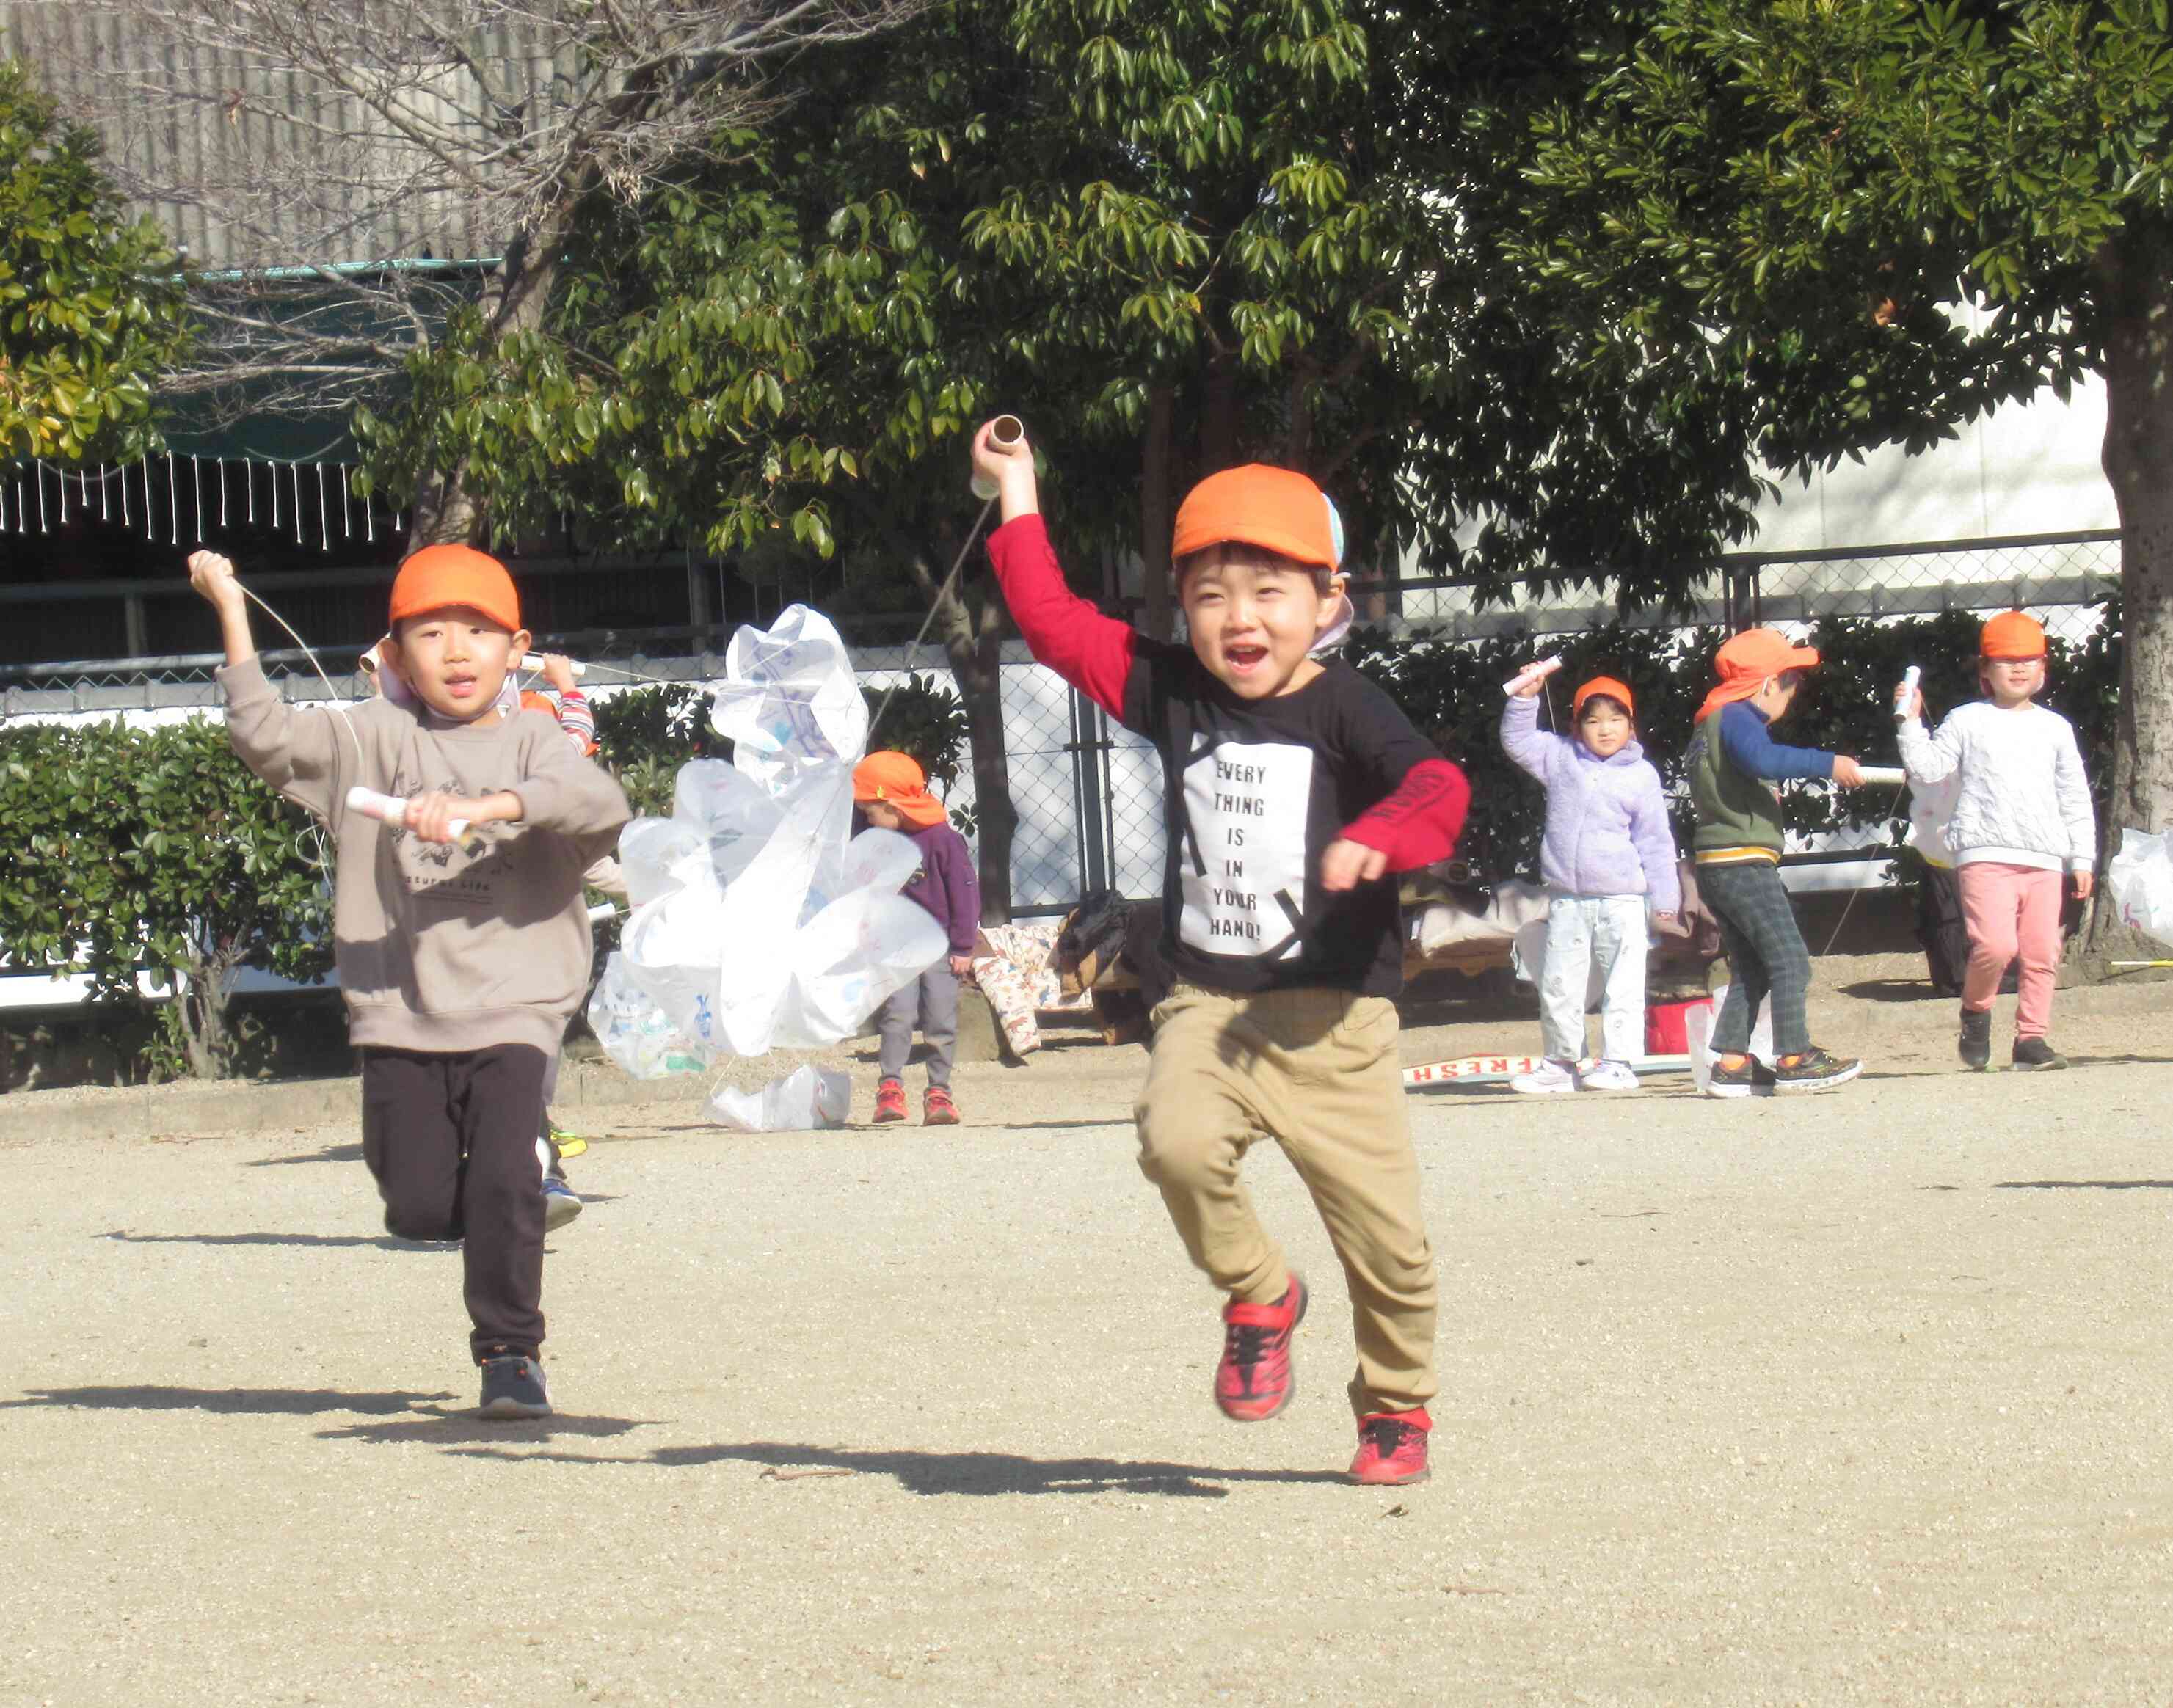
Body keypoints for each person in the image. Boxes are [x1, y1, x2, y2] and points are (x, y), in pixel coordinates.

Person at [971, 420, 1471, 1488]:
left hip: (1337, 1022)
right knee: (1173, 1140)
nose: (1238, 618)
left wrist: (1382, 835)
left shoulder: (1348, 708)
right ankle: (1259, 1291)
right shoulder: (1174, 692)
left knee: (1390, 1250)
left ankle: (1395, 1407)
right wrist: (1017, 487)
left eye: (1268, 593)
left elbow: (1440, 790)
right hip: (1209, 1006)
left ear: (1327, 607)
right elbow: (1055, 625)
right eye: (1209, 595)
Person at [184, 543, 630, 1420]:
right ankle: (493, 1201)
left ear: (518, 649)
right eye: (431, 634)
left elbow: (595, 803)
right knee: (420, 1205)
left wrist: (489, 806)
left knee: (503, 1178)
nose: (458, 652)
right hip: (400, 1009)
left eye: (479, 632)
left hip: (517, 1003)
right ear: (393, 657)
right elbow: (265, 736)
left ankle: (511, 1354)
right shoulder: (370, 737)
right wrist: (230, 609)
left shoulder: (540, 736)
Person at [1896, 611, 2095, 1070]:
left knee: (2043, 951)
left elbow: (2074, 796)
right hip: (1984, 854)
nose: (2020, 668)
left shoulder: (2056, 728)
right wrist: (1909, 721)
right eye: (2006, 660)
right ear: (1985, 670)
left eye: (2030, 659)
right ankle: (1977, 1009)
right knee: (1996, 947)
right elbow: (1928, 770)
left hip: (2046, 857)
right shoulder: (1967, 720)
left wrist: (2082, 857)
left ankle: (2031, 1040)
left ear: (2044, 669)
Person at [1686, 629, 1871, 1096]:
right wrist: (1826, 763)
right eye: (1790, 686)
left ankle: (1730, 1064)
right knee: (1791, 959)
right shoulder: (1738, 719)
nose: (1791, 697)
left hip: (1716, 864)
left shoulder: (1709, 725)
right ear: (1767, 684)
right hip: (1742, 862)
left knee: (1752, 965)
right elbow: (1762, 758)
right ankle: (1794, 1055)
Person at [1499, 673, 1681, 1093]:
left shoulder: (1642, 775)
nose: (1605, 729)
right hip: (1568, 898)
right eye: (1593, 720)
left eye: (1616, 719)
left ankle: (1618, 1063)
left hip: (1624, 901)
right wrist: (1525, 698)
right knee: (1560, 981)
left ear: (1631, 724)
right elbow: (1518, 742)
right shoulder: (1562, 758)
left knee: (1625, 982)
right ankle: (1563, 1063)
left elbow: (1656, 841)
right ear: (1577, 727)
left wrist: (1666, 896)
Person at [853, 751, 978, 1126]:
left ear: (892, 806)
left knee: (941, 1018)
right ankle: (890, 1087)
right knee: (898, 1015)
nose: (867, 818)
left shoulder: (942, 840)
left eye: (870, 811)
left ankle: (939, 1091)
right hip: (899, 948)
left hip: (940, 948)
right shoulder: (878, 840)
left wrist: (963, 946)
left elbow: (966, 892)